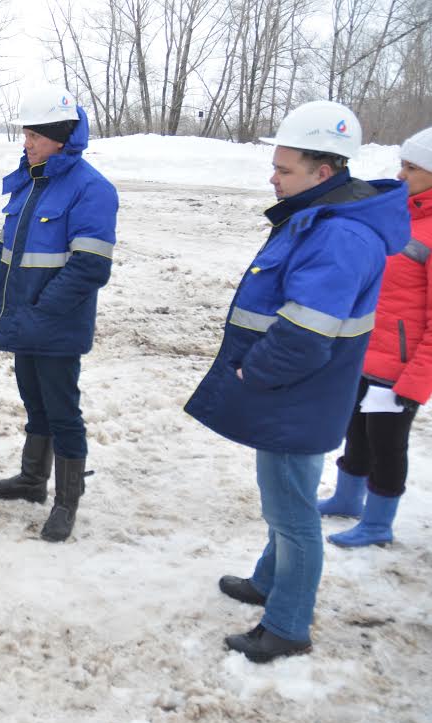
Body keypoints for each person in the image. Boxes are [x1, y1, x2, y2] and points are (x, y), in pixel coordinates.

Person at [184, 101, 410, 663]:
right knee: (284, 499)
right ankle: (268, 579)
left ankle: (287, 625)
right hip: (297, 393)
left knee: (293, 514)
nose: (273, 177)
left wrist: (253, 370)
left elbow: (306, 336)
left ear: (324, 172)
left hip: (296, 394)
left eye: (284, 170)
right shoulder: (321, 218)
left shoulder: (340, 236)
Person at [0, 85, 118, 543]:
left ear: (60, 138)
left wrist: (42, 313)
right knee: (34, 403)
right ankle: (31, 480)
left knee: (63, 411)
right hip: (24, 319)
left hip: (57, 325)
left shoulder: (91, 189)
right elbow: (7, 248)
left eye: (35, 136)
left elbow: (90, 267)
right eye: (25, 135)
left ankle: (66, 501)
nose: (27, 143)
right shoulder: (31, 180)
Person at [318, 126, 432, 547]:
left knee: (388, 444)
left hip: (400, 368)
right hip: (365, 354)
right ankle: (348, 499)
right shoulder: (400, 218)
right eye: (402, 165)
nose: (401, 176)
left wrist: (416, 381)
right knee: (357, 431)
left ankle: (379, 523)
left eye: (413, 168)